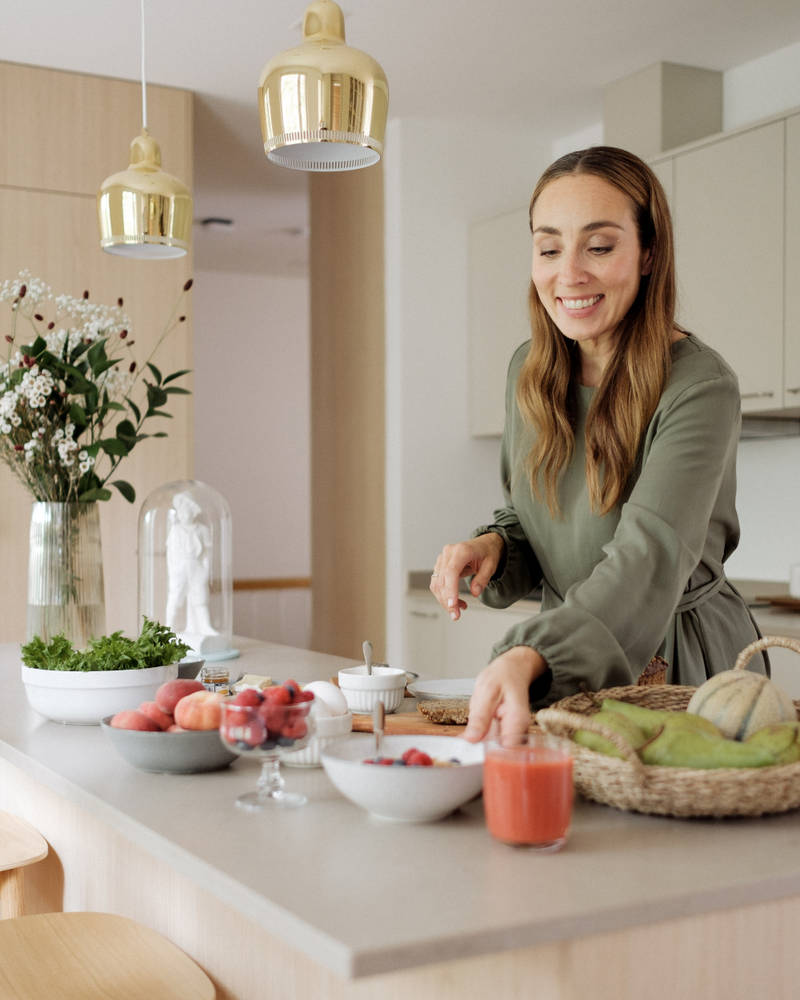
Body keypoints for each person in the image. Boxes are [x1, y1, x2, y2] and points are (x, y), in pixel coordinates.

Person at [430, 146, 766, 746]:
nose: (569, 273)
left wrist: (536, 651)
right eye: (549, 247)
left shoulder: (698, 384)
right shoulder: (527, 371)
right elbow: (529, 522)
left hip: (683, 668)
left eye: (600, 246)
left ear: (649, 255)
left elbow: (650, 555)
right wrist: (491, 548)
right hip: (566, 654)